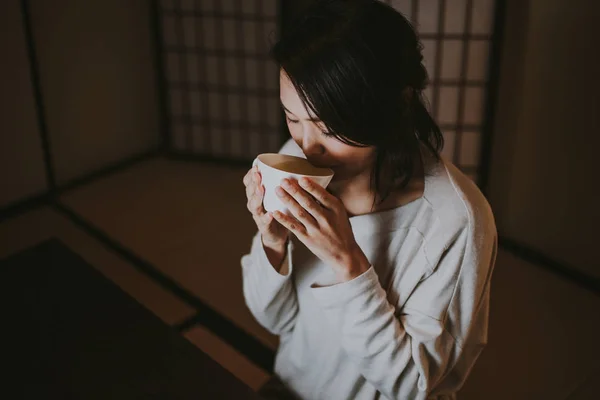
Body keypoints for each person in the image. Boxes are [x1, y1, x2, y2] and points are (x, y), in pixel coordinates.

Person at [241, 0, 497, 399]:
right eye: (292, 117)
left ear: (391, 108)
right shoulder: (298, 156)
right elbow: (274, 320)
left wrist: (348, 262)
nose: (306, 146)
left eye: (328, 128)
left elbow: (413, 387)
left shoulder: (455, 222)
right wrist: (272, 242)